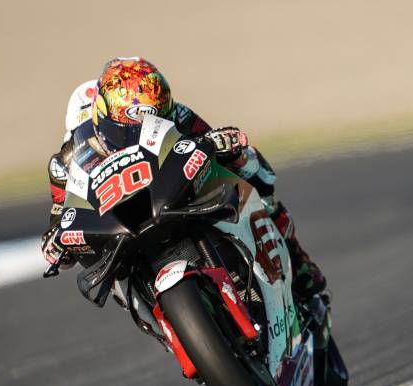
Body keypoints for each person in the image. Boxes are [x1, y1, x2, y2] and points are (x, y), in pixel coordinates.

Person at [41, 57, 325, 298]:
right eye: (132, 120)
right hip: (120, 231)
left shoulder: (178, 113)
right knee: (111, 283)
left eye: (154, 115)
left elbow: (211, 142)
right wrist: (56, 244)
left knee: (252, 169)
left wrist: (227, 147)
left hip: (173, 195)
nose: (141, 127)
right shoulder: (67, 161)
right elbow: (60, 221)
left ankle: (297, 259)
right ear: (101, 114)